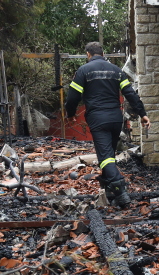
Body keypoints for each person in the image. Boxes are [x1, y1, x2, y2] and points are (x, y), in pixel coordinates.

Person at [64, 42, 150, 206]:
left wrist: (70, 114)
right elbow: (130, 94)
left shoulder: (84, 71)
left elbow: (73, 97)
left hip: (98, 119)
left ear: (88, 54)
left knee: (105, 158)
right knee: (108, 155)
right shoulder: (116, 71)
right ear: (103, 54)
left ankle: (121, 191)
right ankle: (109, 188)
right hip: (116, 119)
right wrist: (142, 114)